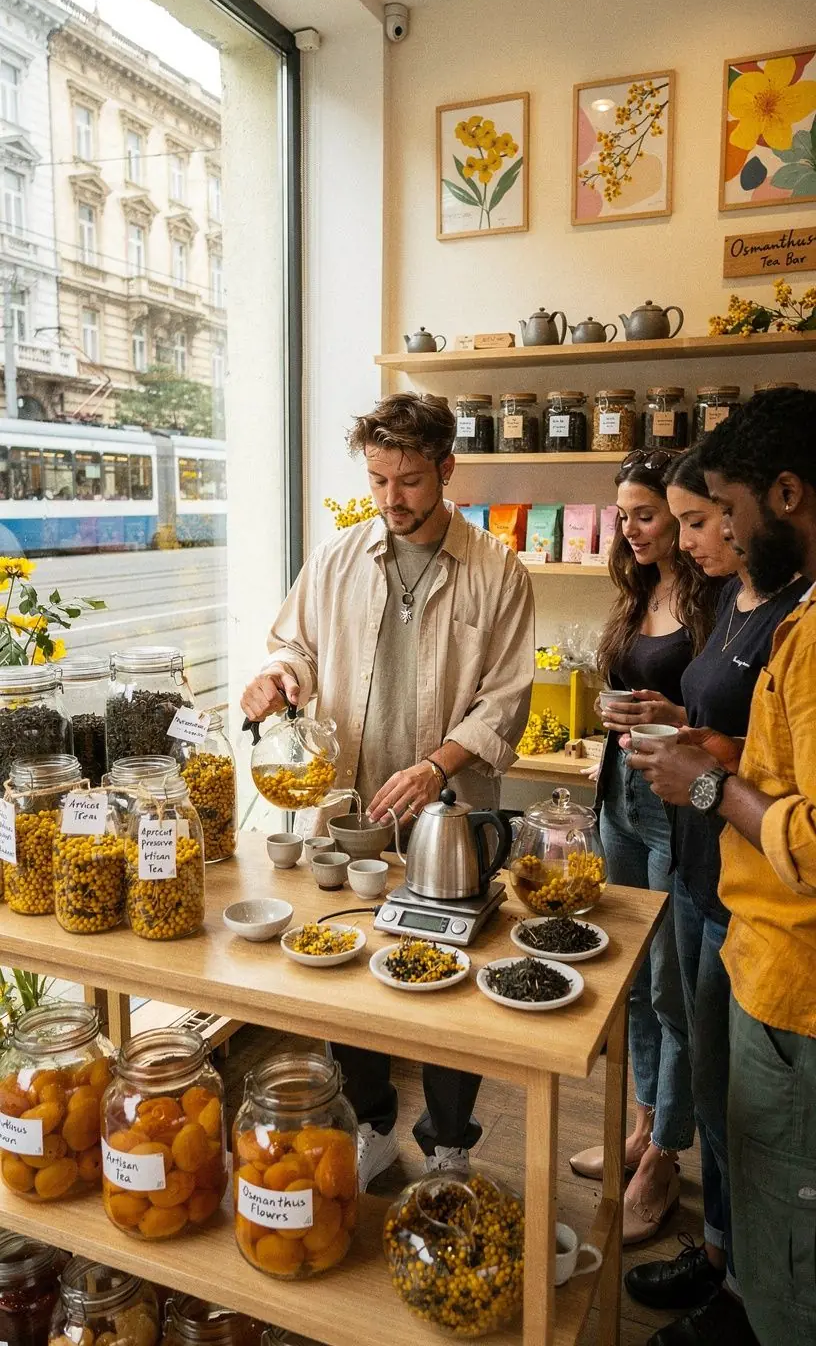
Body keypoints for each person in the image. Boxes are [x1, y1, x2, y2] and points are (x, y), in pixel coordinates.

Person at [241, 392, 535, 1189]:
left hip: (448, 808)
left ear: (446, 469)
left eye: (408, 481)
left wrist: (436, 765)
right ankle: (370, 1122)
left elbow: (506, 700)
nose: (391, 499)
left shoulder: (497, 570)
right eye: (377, 480)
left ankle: (449, 1142)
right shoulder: (338, 558)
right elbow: (295, 645)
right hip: (355, 804)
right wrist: (276, 677)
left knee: (451, 974)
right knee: (350, 958)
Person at [629, 387, 816, 1346]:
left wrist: (706, 784)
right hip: (754, 936)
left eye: (728, 511)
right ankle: (732, 1283)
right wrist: (720, 749)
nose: (727, 535)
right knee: (744, 1140)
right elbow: (787, 768)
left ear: (787, 494)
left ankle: (756, 1310)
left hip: (796, 972)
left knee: (787, 1210)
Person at [570, 449, 719, 1246]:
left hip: (674, 811)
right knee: (628, 979)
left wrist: (672, 713)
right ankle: (640, 1126)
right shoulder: (636, 590)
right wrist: (610, 707)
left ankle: (665, 1154)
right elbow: (628, 693)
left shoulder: (712, 597)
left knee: (670, 988)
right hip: (620, 800)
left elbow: (719, 722)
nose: (630, 529)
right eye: (622, 514)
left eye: (648, 514)